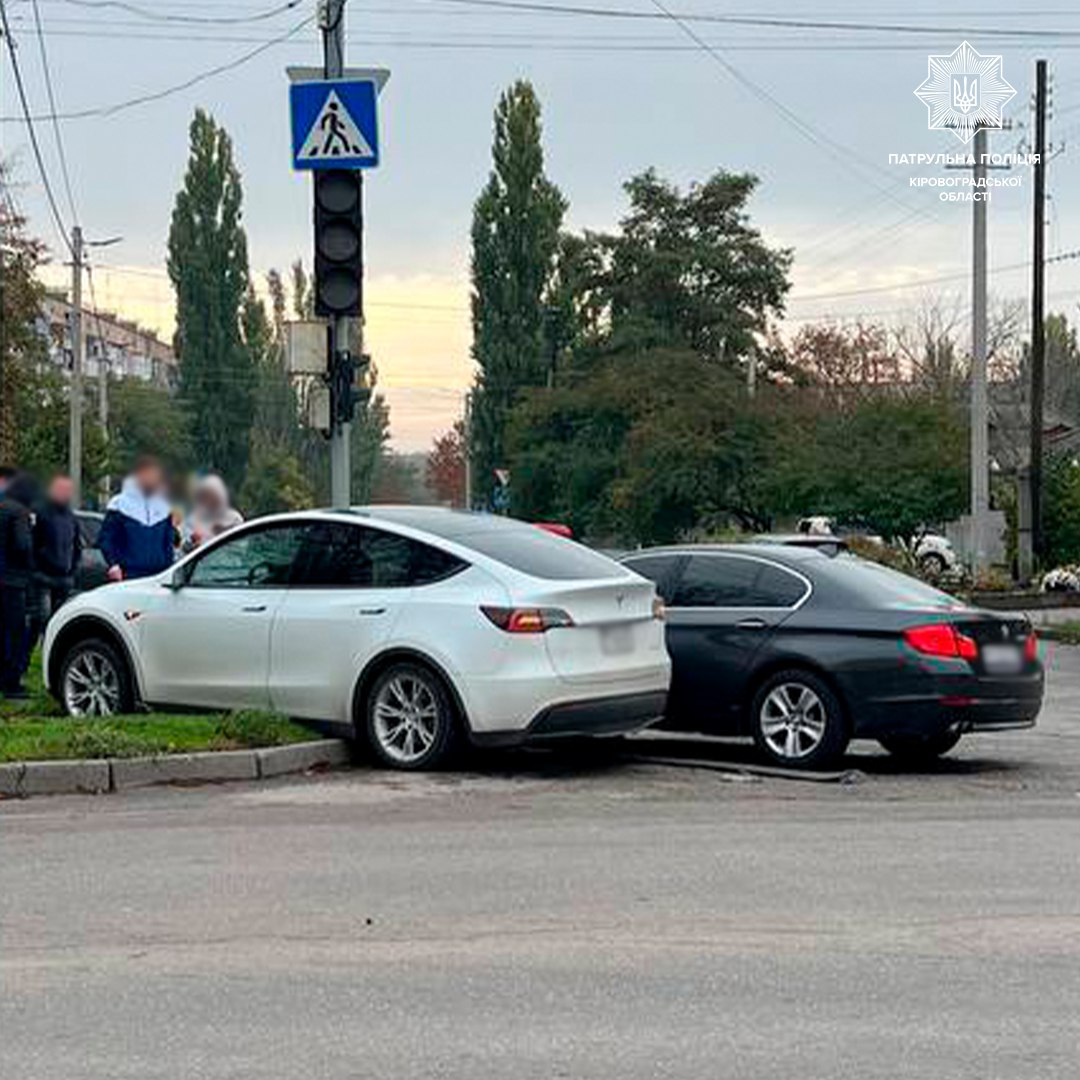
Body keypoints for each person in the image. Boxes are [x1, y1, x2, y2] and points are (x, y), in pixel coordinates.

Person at [98, 456, 175, 581]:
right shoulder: (119, 504)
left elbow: (168, 542)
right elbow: (105, 539)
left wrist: (169, 568)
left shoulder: (164, 505)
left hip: (159, 575)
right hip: (128, 574)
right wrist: (113, 565)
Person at [29, 473, 82, 645]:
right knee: (42, 616)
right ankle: (33, 646)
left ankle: (51, 646)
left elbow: (77, 546)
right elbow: (31, 544)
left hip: (64, 578)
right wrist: (35, 568)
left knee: (60, 618)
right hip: (43, 576)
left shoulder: (71, 517)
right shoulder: (41, 512)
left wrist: (73, 570)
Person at [0, 470, 36, 697]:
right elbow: (23, 545)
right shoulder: (19, 511)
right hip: (12, 580)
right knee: (14, 632)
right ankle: (11, 683)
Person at [182, 473, 243, 553]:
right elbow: (184, 546)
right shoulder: (194, 518)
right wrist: (193, 543)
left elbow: (239, 547)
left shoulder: (235, 518)